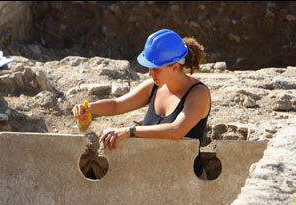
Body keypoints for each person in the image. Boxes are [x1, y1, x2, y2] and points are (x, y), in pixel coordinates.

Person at [72, 29, 211, 177]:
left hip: (187, 183)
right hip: (148, 178)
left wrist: (130, 131)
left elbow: (176, 131)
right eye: (149, 68)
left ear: (175, 67)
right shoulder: (153, 86)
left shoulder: (198, 94)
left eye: (156, 69)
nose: (150, 74)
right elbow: (116, 105)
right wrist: (89, 108)